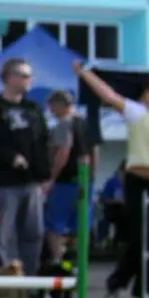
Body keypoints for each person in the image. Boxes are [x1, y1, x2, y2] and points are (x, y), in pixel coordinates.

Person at [74, 62, 149, 298]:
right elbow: (108, 95)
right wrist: (85, 74)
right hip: (139, 182)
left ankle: (145, 291)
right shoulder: (136, 112)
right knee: (140, 238)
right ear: (145, 96)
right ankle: (117, 284)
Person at [0, 57, 50, 276]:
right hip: (4, 183)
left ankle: (30, 281)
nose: (29, 80)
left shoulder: (34, 109)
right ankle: (5, 280)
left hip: (32, 183)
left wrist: (46, 177)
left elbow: (43, 142)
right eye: (24, 75)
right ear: (9, 77)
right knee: (3, 236)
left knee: (33, 234)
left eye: (30, 76)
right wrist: (10, 157)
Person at [42, 89, 89, 262]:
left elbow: (63, 151)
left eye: (52, 107)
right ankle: (76, 262)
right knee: (79, 225)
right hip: (83, 181)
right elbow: (94, 152)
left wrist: (51, 178)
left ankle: (58, 260)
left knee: (55, 225)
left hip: (64, 182)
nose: (52, 112)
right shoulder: (84, 123)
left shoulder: (64, 123)